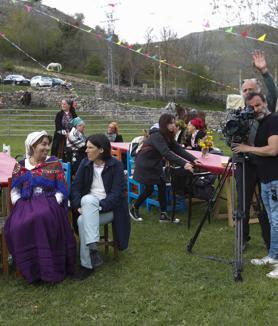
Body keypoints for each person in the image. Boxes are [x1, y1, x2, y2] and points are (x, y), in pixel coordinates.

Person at [4, 131, 76, 284]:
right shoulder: (21, 165)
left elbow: (61, 187)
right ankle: (30, 267)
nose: (47, 147)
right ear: (33, 146)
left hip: (49, 199)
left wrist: (56, 200)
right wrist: (20, 203)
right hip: (25, 201)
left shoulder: (53, 163)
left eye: (47, 144)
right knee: (17, 225)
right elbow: (15, 190)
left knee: (40, 217)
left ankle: (48, 268)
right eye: (43, 144)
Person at [70, 134, 130, 280]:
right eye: (86, 147)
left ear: (101, 150)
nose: (86, 150)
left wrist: (97, 207)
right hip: (87, 207)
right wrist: (78, 206)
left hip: (109, 209)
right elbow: (75, 189)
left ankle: (87, 263)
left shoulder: (115, 165)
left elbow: (116, 195)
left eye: (90, 147)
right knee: (85, 208)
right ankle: (91, 253)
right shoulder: (85, 164)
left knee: (84, 215)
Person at [235, 50, 278, 250]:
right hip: (245, 163)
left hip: (265, 163)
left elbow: (273, 93)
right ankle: (242, 239)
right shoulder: (238, 114)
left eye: (252, 89)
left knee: (265, 204)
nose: (248, 93)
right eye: (245, 90)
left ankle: (269, 240)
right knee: (242, 203)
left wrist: (265, 72)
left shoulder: (263, 108)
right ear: (241, 94)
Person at [232, 92, 278, 279]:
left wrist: (247, 148)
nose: (256, 109)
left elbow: (273, 149)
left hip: (275, 179)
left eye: (258, 105)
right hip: (266, 180)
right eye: (252, 107)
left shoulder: (273, 120)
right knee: (273, 220)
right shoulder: (259, 124)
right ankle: (273, 256)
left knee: (277, 221)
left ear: (265, 103)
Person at [129, 113, 201, 223]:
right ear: (164, 124)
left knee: (161, 185)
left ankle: (163, 215)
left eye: (174, 122)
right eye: (171, 123)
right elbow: (166, 153)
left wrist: (193, 159)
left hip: (154, 163)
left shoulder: (166, 135)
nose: (173, 125)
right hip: (145, 164)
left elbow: (178, 149)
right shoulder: (157, 135)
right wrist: (184, 164)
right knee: (149, 189)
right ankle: (134, 208)